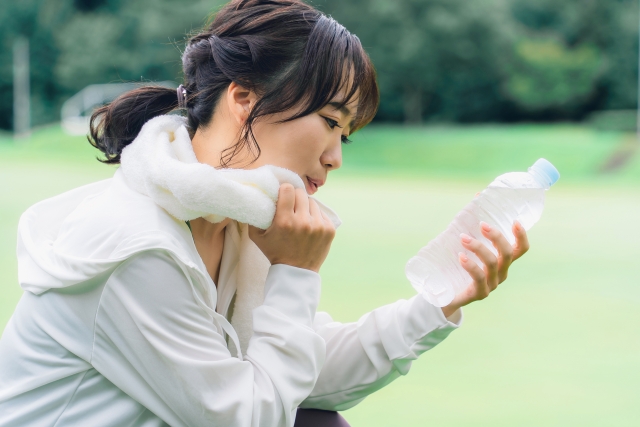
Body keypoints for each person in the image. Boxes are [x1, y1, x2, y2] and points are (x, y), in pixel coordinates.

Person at [0, 1, 530, 426]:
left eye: (345, 134)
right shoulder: (135, 245)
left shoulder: (234, 218)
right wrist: (295, 275)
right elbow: (250, 416)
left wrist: (437, 304)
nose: (335, 157)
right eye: (329, 121)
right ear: (245, 98)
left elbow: (304, 370)